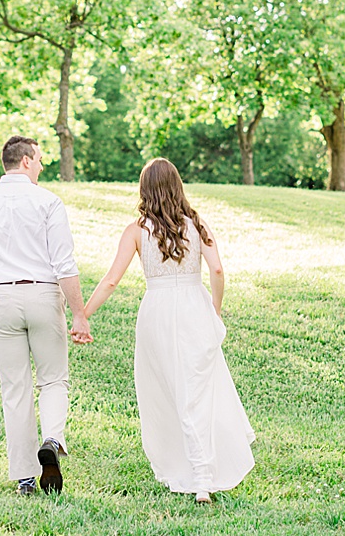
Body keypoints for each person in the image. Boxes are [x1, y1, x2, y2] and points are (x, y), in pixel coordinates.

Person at [83, 157, 254, 503]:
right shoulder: (197, 224)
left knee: (165, 391)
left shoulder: (136, 230)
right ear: (178, 186)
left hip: (157, 312)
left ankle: (194, 473)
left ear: (144, 190)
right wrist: (214, 311)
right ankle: (203, 476)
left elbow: (112, 279)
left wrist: (83, 314)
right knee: (198, 390)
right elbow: (217, 271)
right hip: (194, 307)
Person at [0, 135, 92, 495]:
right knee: (52, 380)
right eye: (39, 159)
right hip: (43, 294)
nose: (43, 166)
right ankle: (51, 439)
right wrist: (79, 314)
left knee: (14, 388)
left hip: (0, 299)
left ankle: (23, 478)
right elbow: (64, 263)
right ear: (25, 162)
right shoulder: (48, 202)